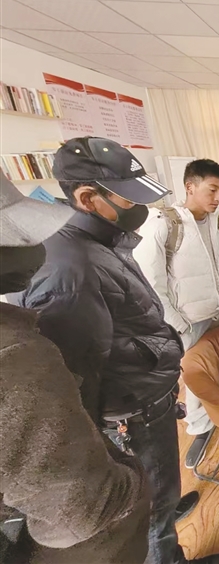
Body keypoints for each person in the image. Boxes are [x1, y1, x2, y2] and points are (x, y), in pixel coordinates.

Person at [9, 137, 219, 564]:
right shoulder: (70, 268)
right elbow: (78, 378)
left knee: (161, 485)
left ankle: (165, 512)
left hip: (145, 393)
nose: (139, 208)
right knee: (149, 503)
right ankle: (166, 551)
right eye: (128, 198)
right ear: (87, 198)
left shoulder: (99, 241)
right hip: (130, 412)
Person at [0, 173, 150, 564]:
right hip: (120, 415)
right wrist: (133, 478)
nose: (33, 250)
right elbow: (78, 511)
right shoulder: (16, 352)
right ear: (87, 198)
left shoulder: (101, 249)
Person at [133, 158, 219, 465]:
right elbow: (150, 283)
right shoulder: (163, 224)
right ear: (190, 187)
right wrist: (177, 324)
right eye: (212, 190)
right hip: (190, 320)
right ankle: (200, 427)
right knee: (197, 373)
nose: (218, 197)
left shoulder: (217, 222)